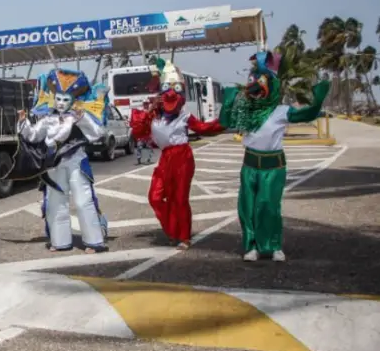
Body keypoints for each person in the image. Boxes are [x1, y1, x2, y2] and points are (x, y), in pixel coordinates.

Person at [218, 51, 329, 262]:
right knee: (248, 207)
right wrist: (229, 100)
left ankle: (274, 245)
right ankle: (251, 246)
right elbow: (225, 122)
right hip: (249, 165)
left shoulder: (280, 111)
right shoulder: (245, 111)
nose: (256, 90)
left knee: (269, 206)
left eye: (260, 85)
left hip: (273, 166)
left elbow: (306, 114)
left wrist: (318, 98)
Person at [135, 58, 223, 250]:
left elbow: (203, 127)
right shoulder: (153, 115)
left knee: (180, 198)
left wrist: (224, 121)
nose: (171, 93)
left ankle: (183, 237)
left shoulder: (184, 116)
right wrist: (150, 108)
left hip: (183, 157)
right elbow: (138, 131)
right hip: (165, 158)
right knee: (155, 197)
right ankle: (173, 229)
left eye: (175, 88)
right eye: (167, 87)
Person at [19, 68, 109, 253]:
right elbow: (33, 136)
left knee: (84, 201)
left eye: (65, 100)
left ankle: (94, 241)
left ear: (73, 100)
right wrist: (23, 122)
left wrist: (82, 119)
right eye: (58, 99)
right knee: (55, 201)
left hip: (76, 161)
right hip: (54, 163)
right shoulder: (48, 119)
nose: (61, 103)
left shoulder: (78, 116)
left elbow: (98, 133)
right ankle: (60, 241)